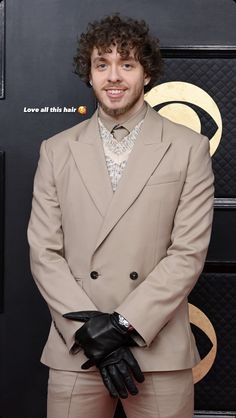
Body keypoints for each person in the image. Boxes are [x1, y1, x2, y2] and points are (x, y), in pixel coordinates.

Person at [27, 14, 214, 418]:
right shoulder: (57, 150)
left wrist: (121, 326)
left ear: (146, 74)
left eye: (127, 64)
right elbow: (44, 252)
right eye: (102, 64)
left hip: (158, 348)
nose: (114, 77)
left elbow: (187, 254)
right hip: (76, 347)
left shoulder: (188, 148)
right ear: (89, 74)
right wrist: (89, 333)